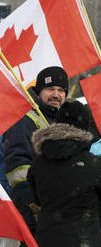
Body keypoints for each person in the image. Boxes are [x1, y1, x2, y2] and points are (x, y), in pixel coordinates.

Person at [27, 100, 101, 247]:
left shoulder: (38, 164)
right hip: (84, 239)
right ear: (84, 128)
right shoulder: (92, 163)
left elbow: (36, 199)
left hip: (48, 238)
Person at [3, 66, 68, 243]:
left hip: (59, 212)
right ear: (38, 91)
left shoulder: (64, 120)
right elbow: (17, 166)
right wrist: (33, 204)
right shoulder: (23, 120)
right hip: (31, 212)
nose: (56, 94)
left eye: (61, 90)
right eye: (50, 89)